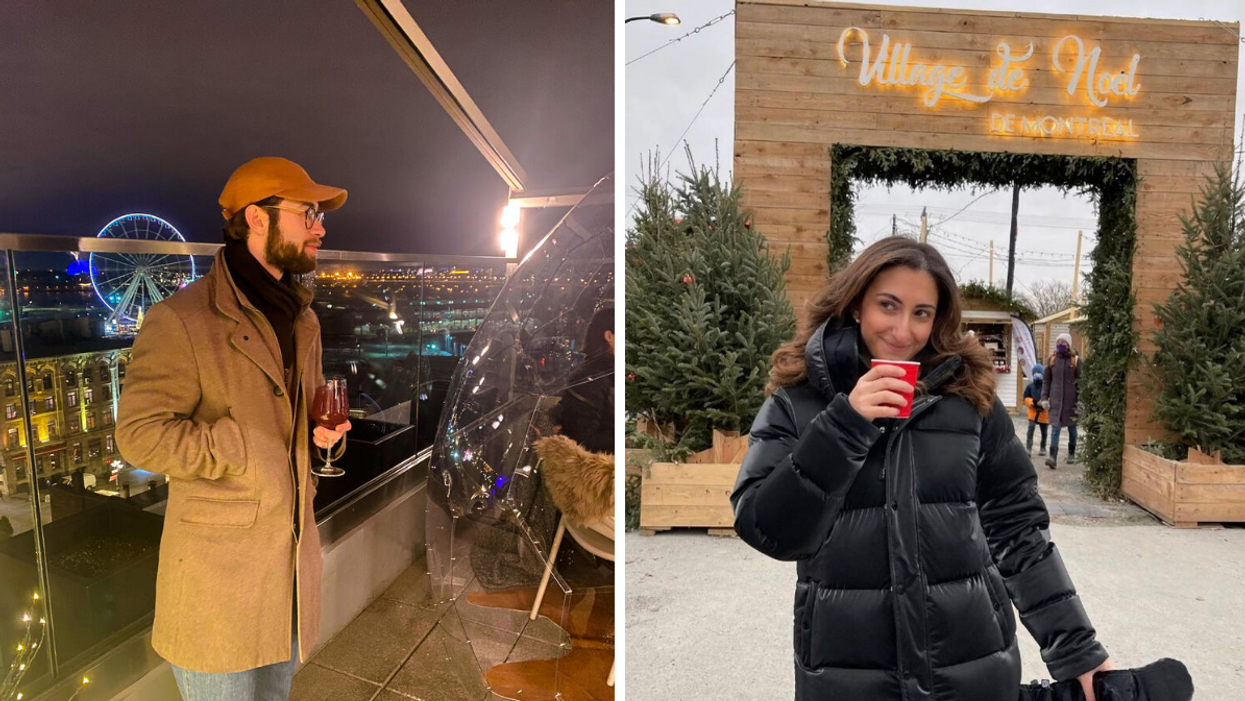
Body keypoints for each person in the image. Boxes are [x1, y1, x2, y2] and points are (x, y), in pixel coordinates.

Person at [731, 237, 1112, 701]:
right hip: (846, 673)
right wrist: (844, 426)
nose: (902, 330)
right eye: (887, 306)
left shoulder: (971, 401)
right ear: (855, 305)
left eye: (921, 313)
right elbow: (766, 529)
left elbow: (1017, 530)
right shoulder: (798, 402)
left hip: (972, 665)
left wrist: (1078, 652)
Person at [117, 157, 352, 701]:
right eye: (308, 213)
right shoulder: (182, 319)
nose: (321, 227)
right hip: (216, 583)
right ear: (257, 218)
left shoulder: (302, 317)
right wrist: (240, 443)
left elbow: (303, 415)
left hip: (288, 571)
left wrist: (318, 438)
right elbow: (140, 435)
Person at [554, 305, 614, 454]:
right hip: (595, 470)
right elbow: (584, 440)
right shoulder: (592, 378)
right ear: (609, 336)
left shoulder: (606, 372)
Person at [1041, 333, 1081, 469]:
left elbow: (1082, 382)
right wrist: (1044, 398)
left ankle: (1071, 453)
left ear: (1069, 345)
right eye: (1059, 342)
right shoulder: (1052, 360)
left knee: (1072, 428)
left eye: (1064, 342)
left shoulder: (1075, 361)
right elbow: (1046, 381)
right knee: (1055, 429)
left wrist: (1081, 400)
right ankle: (1052, 457)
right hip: (1056, 402)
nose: (1061, 345)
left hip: (1071, 402)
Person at [1023, 363, 1049, 456]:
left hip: (1044, 413)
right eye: (1036, 372)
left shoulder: (1046, 387)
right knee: (1031, 428)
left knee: (1044, 432)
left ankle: (1043, 448)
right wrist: (1033, 402)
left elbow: (1050, 398)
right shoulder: (1029, 387)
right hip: (1033, 412)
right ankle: (1028, 448)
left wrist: (1044, 403)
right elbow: (1025, 398)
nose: (1037, 374)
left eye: (1039, 372)